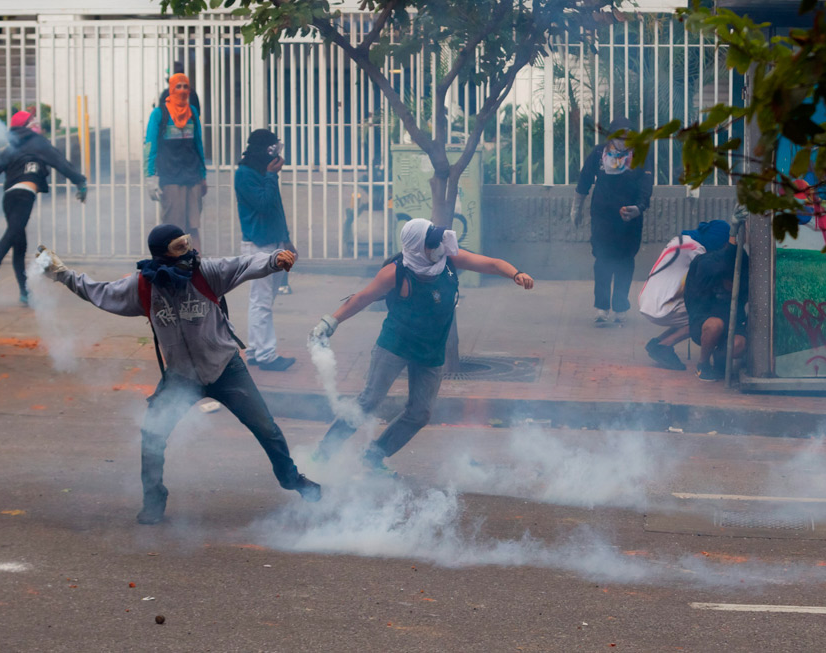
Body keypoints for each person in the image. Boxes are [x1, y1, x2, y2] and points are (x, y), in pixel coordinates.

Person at [36, 224, 321, 524]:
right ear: (162, 254)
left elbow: (245, 263)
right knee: (152, 437)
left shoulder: (207, 272)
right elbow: (98, 291)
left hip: (226, 369)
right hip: (181, 377)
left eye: (186, 244)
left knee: (267, 429)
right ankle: (154, 499)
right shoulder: (143, 287)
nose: (186, 252)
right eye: (177, 248)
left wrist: (275, 259)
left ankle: (292, 480)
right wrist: (62, 273)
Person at [309, 218, 535, 475]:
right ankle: (324, 451)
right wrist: (330, 322)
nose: (439, 246)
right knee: (369, 401)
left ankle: (374, 456)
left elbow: (492, 264)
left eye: (439, 240)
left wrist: (516, 273)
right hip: (395, 345)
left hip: (431, 351)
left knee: (420, 413)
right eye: (432, 243)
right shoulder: (396, 272)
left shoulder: (449, 260)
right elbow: (361, 298)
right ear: (417, 247)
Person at [0, 109, 87, 304]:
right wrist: (80, 181)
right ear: (27, 126)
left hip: (9, 197)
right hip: (24, 195)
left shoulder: (13, 145)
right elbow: (60, 162)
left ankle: (24, 293)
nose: (38, 124)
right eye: (34, 121)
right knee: (14, 232)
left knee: (19, 244)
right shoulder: (38, 142)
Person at [572, 117, 653, 326]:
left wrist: (639, 207)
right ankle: (601, 308)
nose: (624, 141)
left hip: (630, 217)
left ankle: (620, 308)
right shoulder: (600, 153)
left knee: (625, 261)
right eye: (620, 136)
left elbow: (646, 184)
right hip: (602, 216)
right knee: (603, 260)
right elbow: (584, 180)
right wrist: (576, 208)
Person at [235, 128, 298, 371]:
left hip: (273, 242)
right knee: (261, 300)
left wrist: (286, 240)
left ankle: (255, 350)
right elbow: (263, 204)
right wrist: (272, 176)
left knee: (263, 299)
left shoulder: (262, 171)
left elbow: (276, 209)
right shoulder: (245, 173)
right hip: (257, 244)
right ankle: (266, 355)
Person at [640, 219, 730, 370]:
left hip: (649, 299)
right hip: (661, 304)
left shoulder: (683, 240)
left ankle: (657, 343)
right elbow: (710, 273)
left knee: (691, 314)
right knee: (702, 317)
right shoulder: (696, 249)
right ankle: (665, 346)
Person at [684, 210, 750, 381]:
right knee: (715, 325)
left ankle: (720, 360)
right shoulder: (704, 262)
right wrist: (733, 232)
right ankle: (703, 364)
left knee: (739, 345)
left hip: (733, 322)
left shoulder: (741, 260)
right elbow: (721, 263)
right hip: (705, 321)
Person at [145, 73, 207, 247]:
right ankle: (175, 268)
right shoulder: (159, 114)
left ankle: (196, 266)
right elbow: (150, 146)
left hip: (192, 178)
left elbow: (198, 145)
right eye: (178, 87)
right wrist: (150, 177)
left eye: (185, 86)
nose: (182, 90)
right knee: (173, 230)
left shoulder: (192, 112)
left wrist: (202, 176)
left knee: (193, 227)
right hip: (170, 179)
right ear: (171, 89)